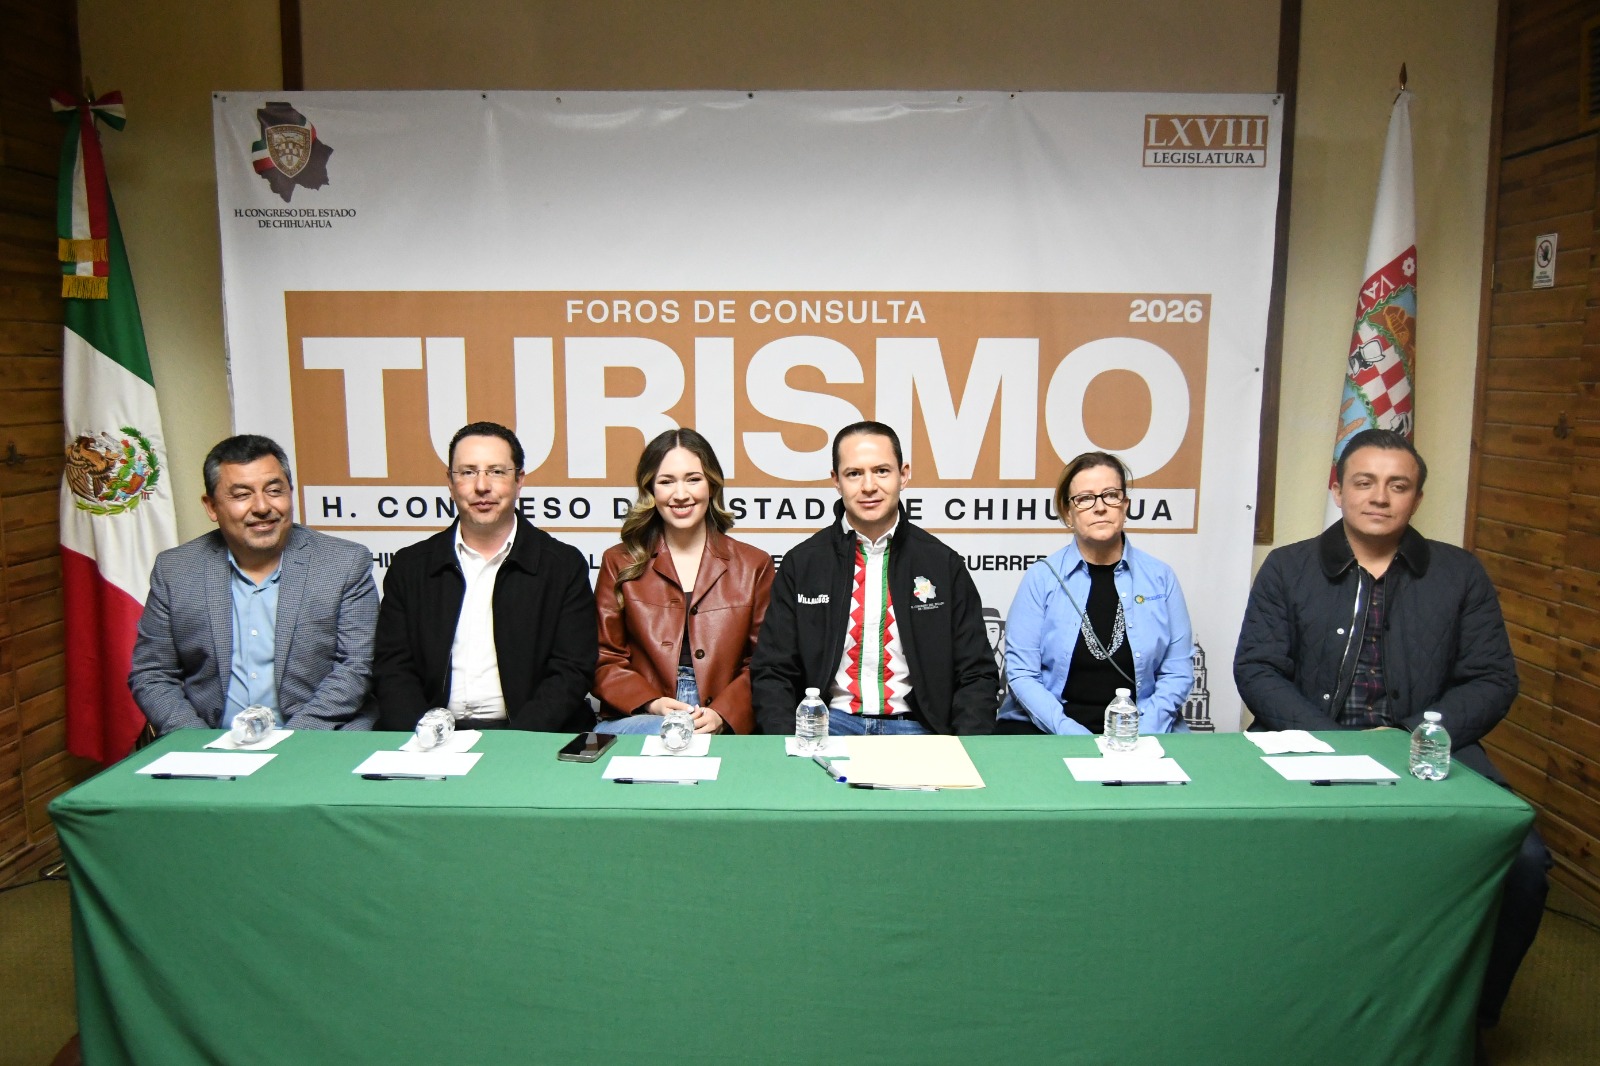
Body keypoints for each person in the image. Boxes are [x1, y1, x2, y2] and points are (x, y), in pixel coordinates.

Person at [1234, 427, 1550, 1029]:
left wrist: (1408, 738)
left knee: (1524, 863)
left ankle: (1466, 1024)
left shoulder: (1459, 574)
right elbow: (1258, 669)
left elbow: (1491, 679)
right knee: (1249, 849)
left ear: (1417, 498)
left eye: (1397, 485)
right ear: (1338, 490)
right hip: (1308, 745)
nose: (1379, 497)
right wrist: (1335, 744)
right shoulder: (1289, 567)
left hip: (1425, 749)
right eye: (1365, 482)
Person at [751, 421, 998, 736]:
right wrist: (788, 744)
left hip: (917, 727)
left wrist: (964, 748)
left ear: (903, 475)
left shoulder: (942, 564)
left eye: (881, 471)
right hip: (828, 725)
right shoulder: (802, 564)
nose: (869, 486)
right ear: (836, 481)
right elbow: (773, 671)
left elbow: (976, 673)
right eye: (854, 473)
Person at [129, 434, 377, 733]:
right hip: (212, 738)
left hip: (316, 737)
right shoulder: (176, 570)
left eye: (274, 491)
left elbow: (356, 666)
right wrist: (195, 740)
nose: (262, 506)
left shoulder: (344, 563)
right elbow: (153, 673)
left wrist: (293, 742)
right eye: (242, 495)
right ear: (211, 506)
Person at [374, 421, 597, 732]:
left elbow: (572, 670)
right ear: (450, 482)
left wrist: (515, 743)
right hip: (430, 735)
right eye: (467, 472)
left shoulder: (562, 565)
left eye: (496, 471)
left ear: (519, 480)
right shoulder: (410, 566)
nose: (482, 486)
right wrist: (425, 735)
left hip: (531, 736)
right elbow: (393, 668)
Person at [996, 451, 1193, 735]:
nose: (1100, 507)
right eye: (1085, 498)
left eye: (1110, 495)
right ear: (1068, 513)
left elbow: (1177, 673)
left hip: (1141, 728)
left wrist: (1140, 735)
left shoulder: (1161, 578)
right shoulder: (1041, 578)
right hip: (1051, 729)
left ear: (1125, 505)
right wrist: (1070, 733)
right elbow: (1022, 674)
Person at [592, 429, 774, 735]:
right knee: (667, 739)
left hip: (722, 717)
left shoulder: (754, 564)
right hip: (643, 716)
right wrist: (651, 702)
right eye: (666, 481)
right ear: (650, 489)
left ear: (712, 485)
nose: (680, 494)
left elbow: (764, 662)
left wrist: (723, 714)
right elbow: (604, 658)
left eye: (693, 479)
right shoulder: (618, 561)